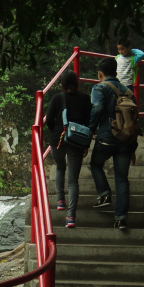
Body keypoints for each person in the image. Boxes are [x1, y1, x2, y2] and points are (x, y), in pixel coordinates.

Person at [88, 58, 133, 231]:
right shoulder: (128, 92)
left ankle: (105, 194)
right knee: (122, 179)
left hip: (106, 137)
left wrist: (91, 129)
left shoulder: (99, 87)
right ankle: (121, 219)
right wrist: (133, 143)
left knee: (95, 164)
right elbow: (134, 119)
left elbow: (97, 108)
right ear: (116, 73)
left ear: (100, 74)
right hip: (126, 140)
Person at [43, 70, 91, 228]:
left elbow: (49, 120)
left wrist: (57, 131)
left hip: (58, 140)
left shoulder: (58, 98)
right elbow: (88, 124)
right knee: (73, 181)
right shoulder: (85, 99)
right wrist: (86, 145)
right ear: (77, 83)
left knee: (59, 167)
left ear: (62, 84)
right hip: (76, 142)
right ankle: (71, 217)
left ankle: (60, 200)